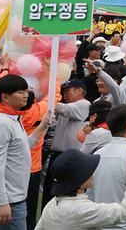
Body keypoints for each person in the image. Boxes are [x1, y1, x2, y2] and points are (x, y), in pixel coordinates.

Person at [35, 148, 126, 229]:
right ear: (79, 184)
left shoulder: (53, 203)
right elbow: (125, 213)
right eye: (86, 171)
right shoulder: (80, 210)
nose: (92, 171)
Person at [43, 78, 91, 208]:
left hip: (70, 157)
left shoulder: (84, 104)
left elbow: (64, 109)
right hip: (57, 155)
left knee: (61, 194)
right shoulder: (67, 106)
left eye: (67, 91)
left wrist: (46, 98)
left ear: (80, 91)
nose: (64, 94)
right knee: (49, 192)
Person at [0, 74, 32, 229]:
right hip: (8, 202)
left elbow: (19, 150)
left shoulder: (13, 117)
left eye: (26, 91)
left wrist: (42, 128)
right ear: (5, 97)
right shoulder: (1, 122)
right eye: (21, 92)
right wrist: (2, 202)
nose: (26, 95)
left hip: (13, 199)